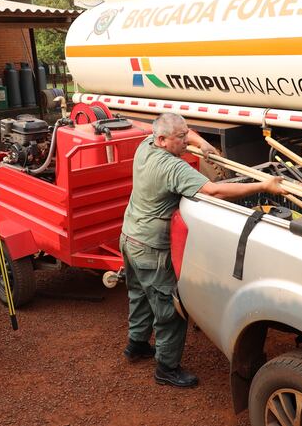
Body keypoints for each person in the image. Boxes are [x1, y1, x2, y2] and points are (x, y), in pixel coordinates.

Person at [120, 113, 285, 388]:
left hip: (129, 237)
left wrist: (202, 144)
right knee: (169, 310)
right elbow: (213, 191)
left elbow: (182, 133)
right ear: (162, 140)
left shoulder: (146, 145)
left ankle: (136, 345)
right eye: (181, 138)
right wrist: (264, 185)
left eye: (187, 135)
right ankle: (166, 368)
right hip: (150, 248)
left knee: (139, 294)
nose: (187, 141)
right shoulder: (171, 167)